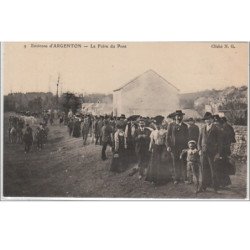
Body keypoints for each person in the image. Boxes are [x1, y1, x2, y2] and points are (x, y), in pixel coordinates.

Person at [198, 112, 223, 193]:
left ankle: (216, 188)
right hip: (203, 153)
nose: (207, 121)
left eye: (208, 119)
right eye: (206, 119)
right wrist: (199, 150)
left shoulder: (216, 129)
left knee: (213, 171)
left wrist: (218, 153)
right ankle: (202, 187)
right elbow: (199, 141)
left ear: (212, 119)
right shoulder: (202, 128)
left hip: (212, 153)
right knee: (203, 170)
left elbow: (220, 143)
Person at [146, 117, 171, 185]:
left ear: (161, 124)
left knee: (162, 162)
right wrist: (150, 148)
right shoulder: (153, 132)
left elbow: (166, 141)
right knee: (154, 162)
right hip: (156, 147)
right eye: (156, 124)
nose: (157, 125)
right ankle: (153, 179)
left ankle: (162, 179)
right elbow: (151, 142)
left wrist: (167, 147)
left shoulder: (165, 131)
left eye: (158, 124)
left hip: (162, 148)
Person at [166, 110, 189, 184]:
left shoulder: (185, 126)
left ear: (182, 117)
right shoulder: (171, 125)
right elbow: (167, 137)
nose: (179, 117)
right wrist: (168, 146)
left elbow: (187, 138)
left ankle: (185, 178)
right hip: (174, 147)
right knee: (175, 162)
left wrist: (187, 148)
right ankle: (176, 178)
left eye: (180, 116)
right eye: (177, 116)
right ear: (175, 117)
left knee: (183, 162)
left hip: (183, 147)